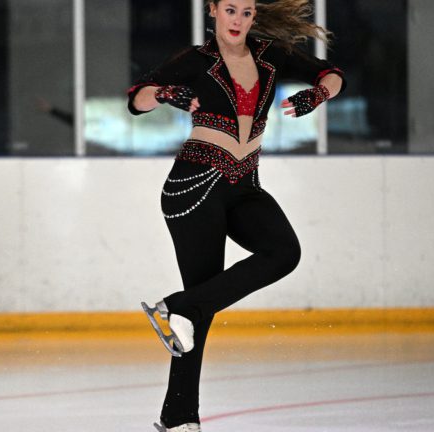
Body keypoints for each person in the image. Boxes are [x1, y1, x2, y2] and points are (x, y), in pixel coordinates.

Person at [129, 1, 345, 430]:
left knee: (284, 251)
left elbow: (333, 75)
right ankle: (178, 418)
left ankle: (175, 308)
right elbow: (137, 99)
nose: (238, 21)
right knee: (199, 312)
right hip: (195, 185)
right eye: (230, 10)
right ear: (213, 11)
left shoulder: (271, 54)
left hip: (244, 185)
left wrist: (317, 95)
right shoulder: (195, 60)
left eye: (246, 13)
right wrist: (169, 93)